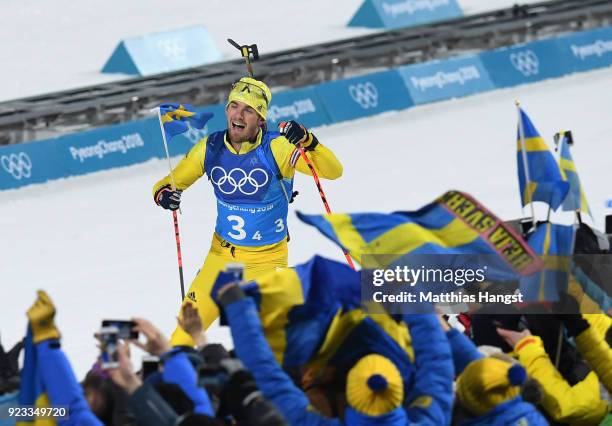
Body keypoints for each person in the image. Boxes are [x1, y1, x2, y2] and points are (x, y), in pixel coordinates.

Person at [152, 77, 343, 345]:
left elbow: (333, 171)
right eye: (234, 106)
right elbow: (166, 185)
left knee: (269, 343)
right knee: (182, 336)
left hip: (267, 261)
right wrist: (164, 196)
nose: (238, 115)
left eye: (248, 110)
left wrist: (309, 141)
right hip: (221, 259)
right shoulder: (210, 148)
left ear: (261, 120)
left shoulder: (278, 148)